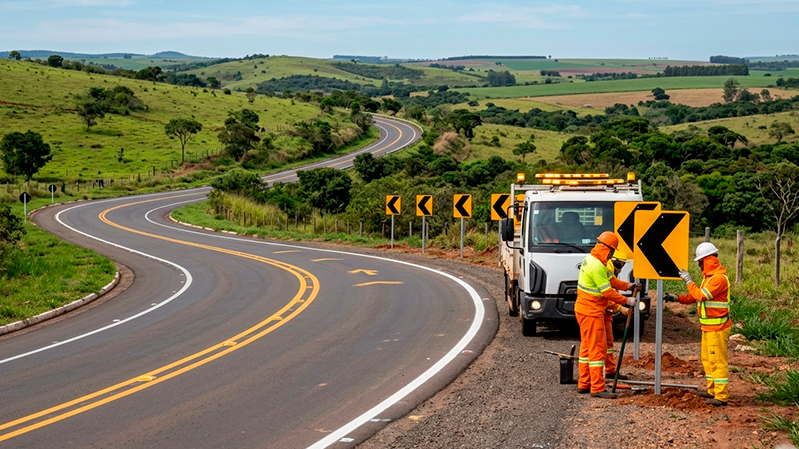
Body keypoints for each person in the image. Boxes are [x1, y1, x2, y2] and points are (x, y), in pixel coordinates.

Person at [664, 242, 731, 407]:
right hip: (708, 327)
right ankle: (712, 390)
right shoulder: (709, 278)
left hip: (718, 328)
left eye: (700, 262)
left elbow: (701, 296)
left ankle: (721, 396)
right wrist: (677, 298)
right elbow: (694, 296)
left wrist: (688, 281)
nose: (700, 266)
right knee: (707, 360)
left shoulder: (719, 279)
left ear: (706, 260)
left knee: (717, 361)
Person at [575, 232, 640, 399]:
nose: (612, 255)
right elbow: (607, 291)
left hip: (585, 309)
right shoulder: (596, 265)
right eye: (612, 251)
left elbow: (612, 281)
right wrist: (627, 301)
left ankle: (584, 383)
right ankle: (596, 387)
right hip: (591, 311)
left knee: (586, 348)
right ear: (608, 249)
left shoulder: (595, 261)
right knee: (597, 349)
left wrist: (629, 285)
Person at [603, 249, 634, 381]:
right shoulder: (606, 269)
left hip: (606, 313)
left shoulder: (611, 271)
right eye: (621, 265)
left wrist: (629, 286)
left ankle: (610, 370)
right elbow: (606, 294)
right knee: (600, 345)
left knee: (609, 344)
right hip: (599, 311)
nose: (621, 268)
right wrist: (621, 307)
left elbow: (615, 288)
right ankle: (593, 376)